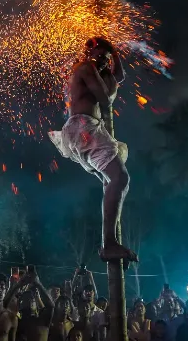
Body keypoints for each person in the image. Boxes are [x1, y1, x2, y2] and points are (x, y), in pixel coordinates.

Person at [47, 36, 135, 262]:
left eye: (108, 59)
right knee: (120, 178)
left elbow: (119, 77)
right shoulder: (85, 67)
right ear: (90, 53)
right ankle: (109, 244)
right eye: (102, 56)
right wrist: (112, 78)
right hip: (83, 128)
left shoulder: (94, 70)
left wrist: (115, 55)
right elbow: (106, 100)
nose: (105, 62)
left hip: (83, 131)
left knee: (113, 182)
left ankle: (110, 242)